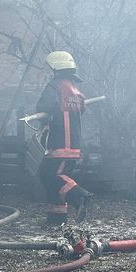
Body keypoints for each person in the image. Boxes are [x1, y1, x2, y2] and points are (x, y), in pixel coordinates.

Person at [35, 50, 93, 225]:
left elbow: (45, 106)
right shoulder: (74, 89)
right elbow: (81, 109)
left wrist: (42, 117)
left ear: (56, 69)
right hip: (73, 144)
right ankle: (57, 218)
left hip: (59, 143)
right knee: (59, 179)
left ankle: (80, 197)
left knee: (49, 175)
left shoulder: (55, 86)